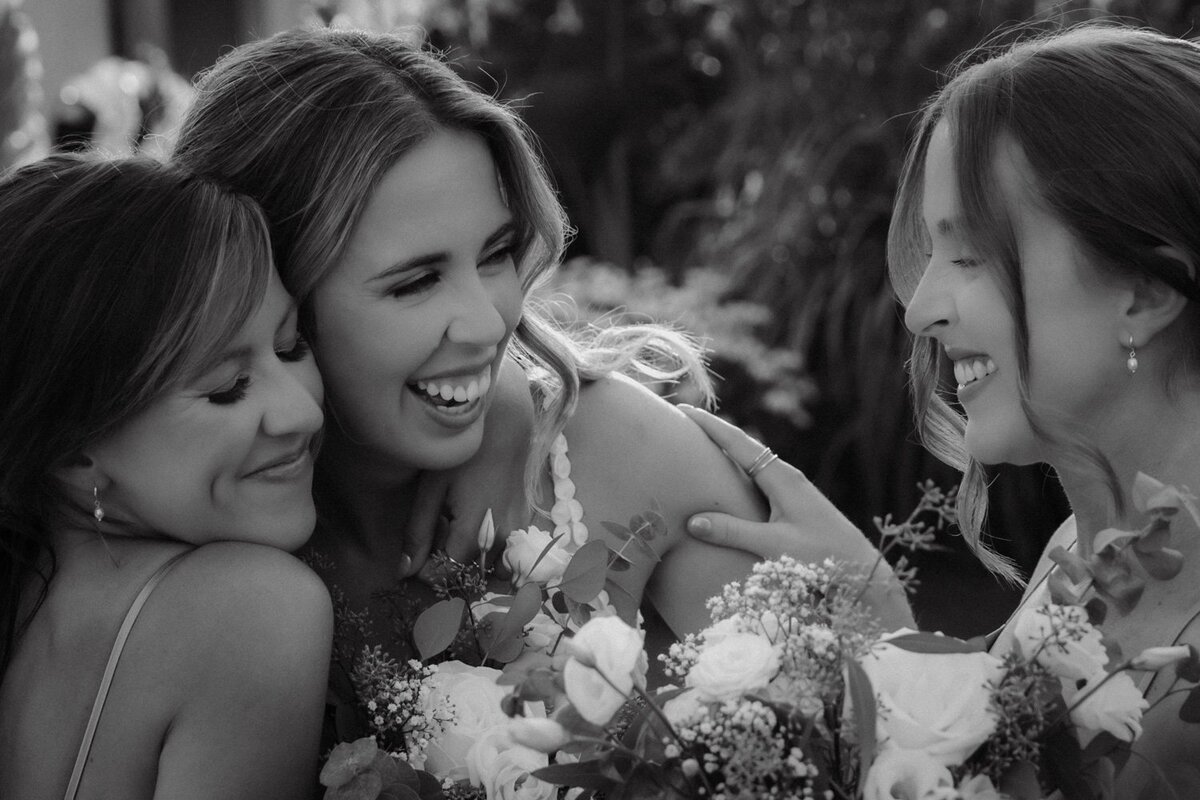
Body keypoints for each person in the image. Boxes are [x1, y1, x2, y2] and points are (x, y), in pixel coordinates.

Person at [169, 24, 911, 685]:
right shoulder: (167, 511)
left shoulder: (598, 450)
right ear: (269, 295)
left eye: (495, 254)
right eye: (417, 281)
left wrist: (879, 614)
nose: (489, 321)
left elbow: (874, 735)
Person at [684, 23, 1200, 793]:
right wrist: (887, 632)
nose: (919, 310)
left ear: (1146, 292)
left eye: (969, 255)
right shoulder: (1082, 558)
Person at [0, 155, 332, 799]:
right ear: (73, 453)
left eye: (292, 346)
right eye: (227, 388)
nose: (304, 410)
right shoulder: (251, 609)